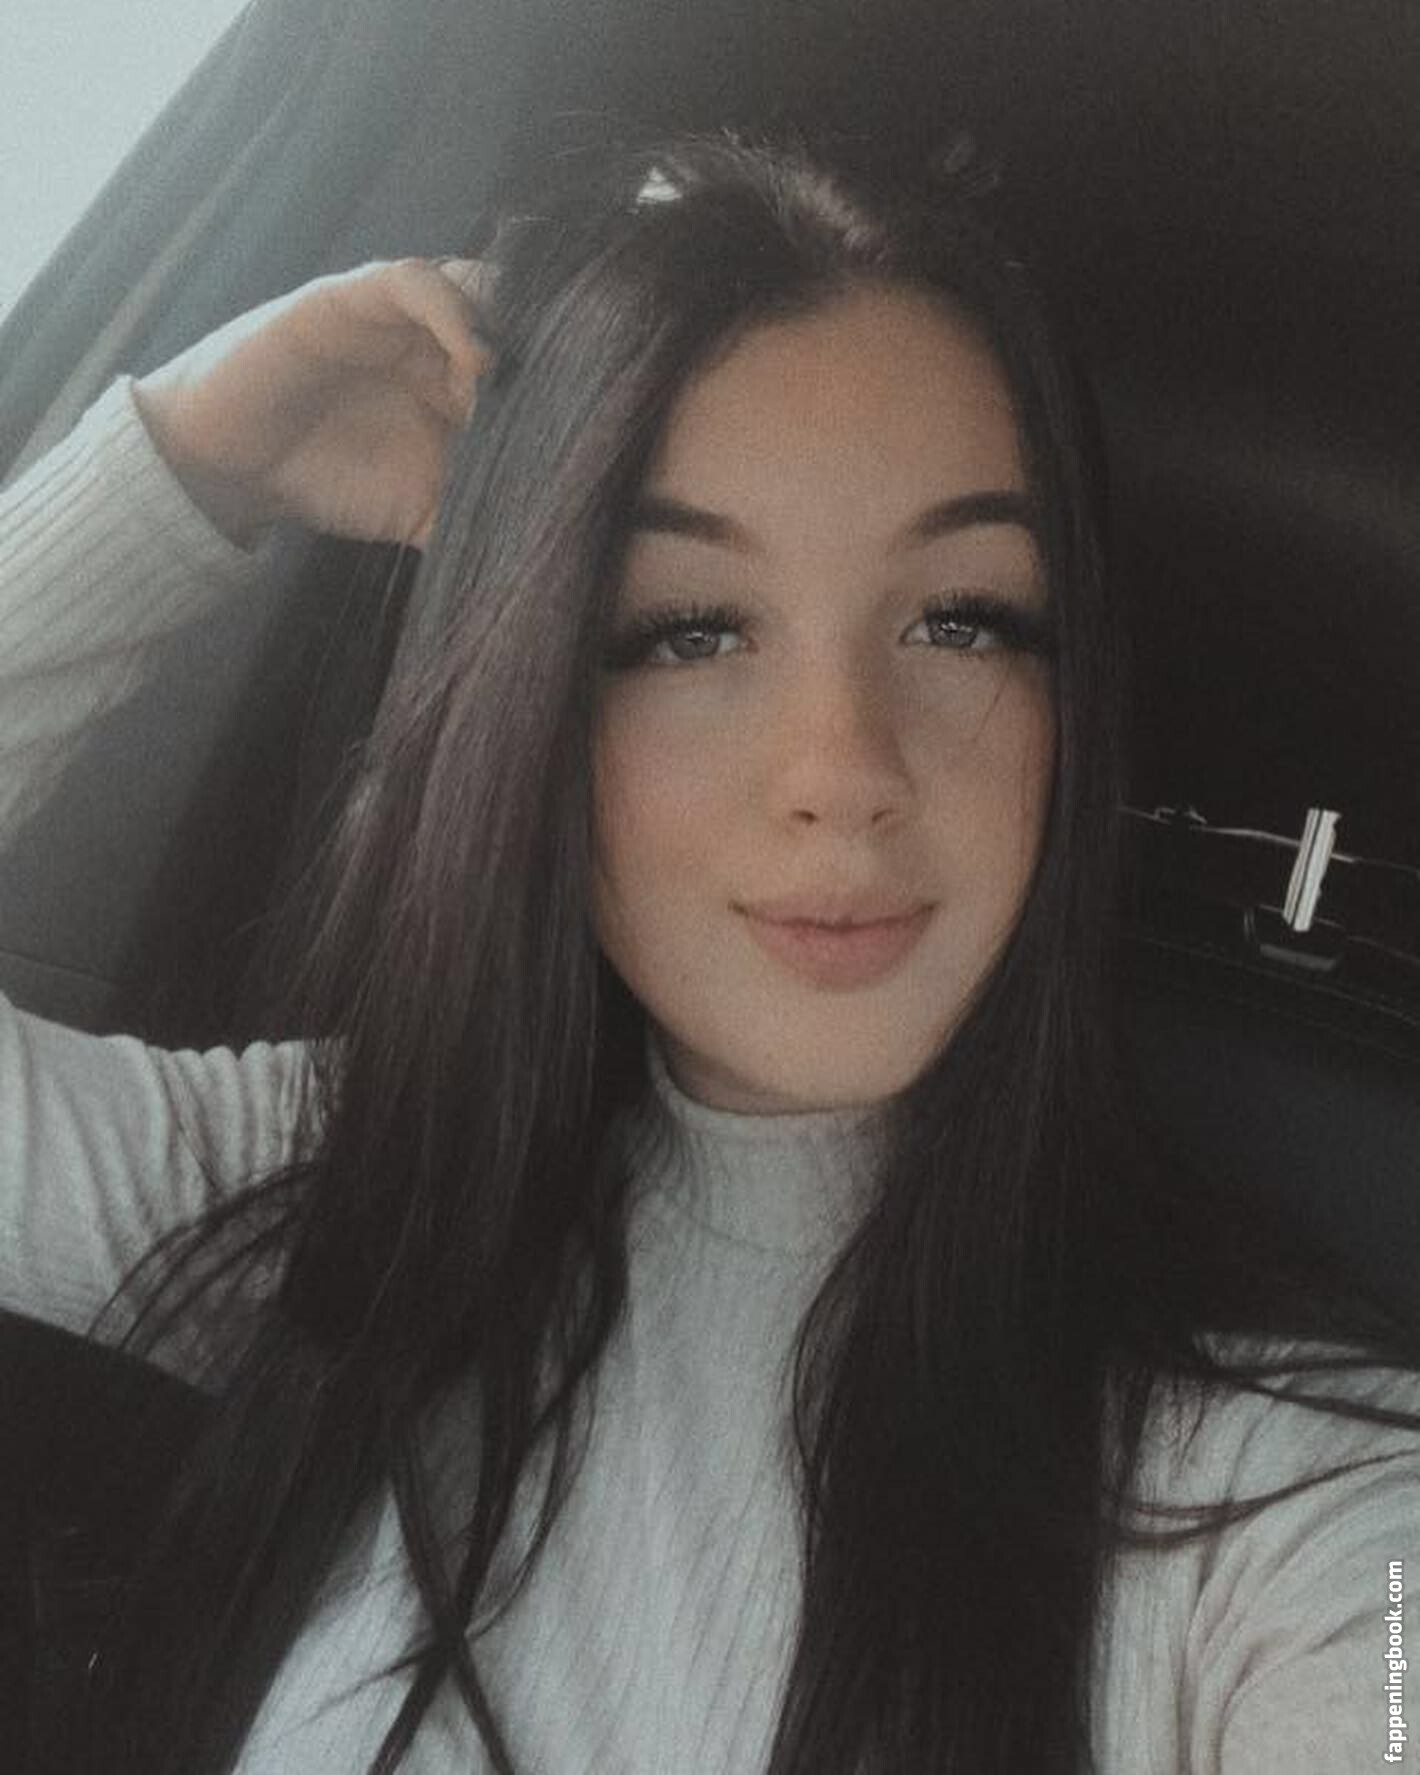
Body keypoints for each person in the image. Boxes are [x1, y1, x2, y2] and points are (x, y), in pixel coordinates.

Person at [2, 128, 1418, 1775]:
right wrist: (185, 468)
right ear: (541, 703)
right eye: (690, 630)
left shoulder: (1302, 1505)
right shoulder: (343, 1199)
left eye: (963, 619)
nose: (843, 771)